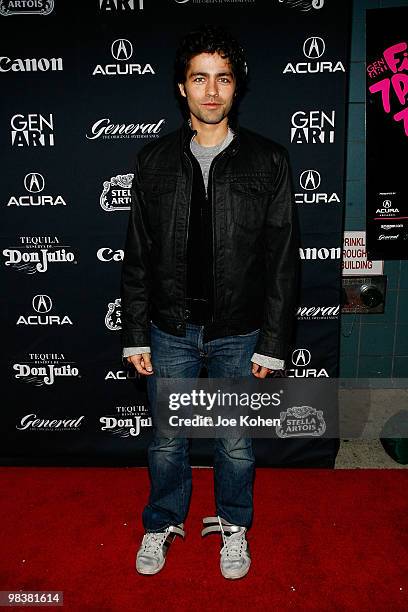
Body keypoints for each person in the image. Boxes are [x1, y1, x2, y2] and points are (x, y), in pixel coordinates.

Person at [120, 24, 300, 580]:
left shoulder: (267, 162)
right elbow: (138, 257)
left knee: (235, 444)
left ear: (236, 87)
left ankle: (233, 525)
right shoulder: (152, 161)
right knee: (167, 442)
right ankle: (163, 520)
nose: (212, 91)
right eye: (200, 78)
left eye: (223, 79)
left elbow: (282, 262)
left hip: (239, 332)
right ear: (182, 88)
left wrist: (273, 343)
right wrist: (134, 332)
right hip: (170, 330)